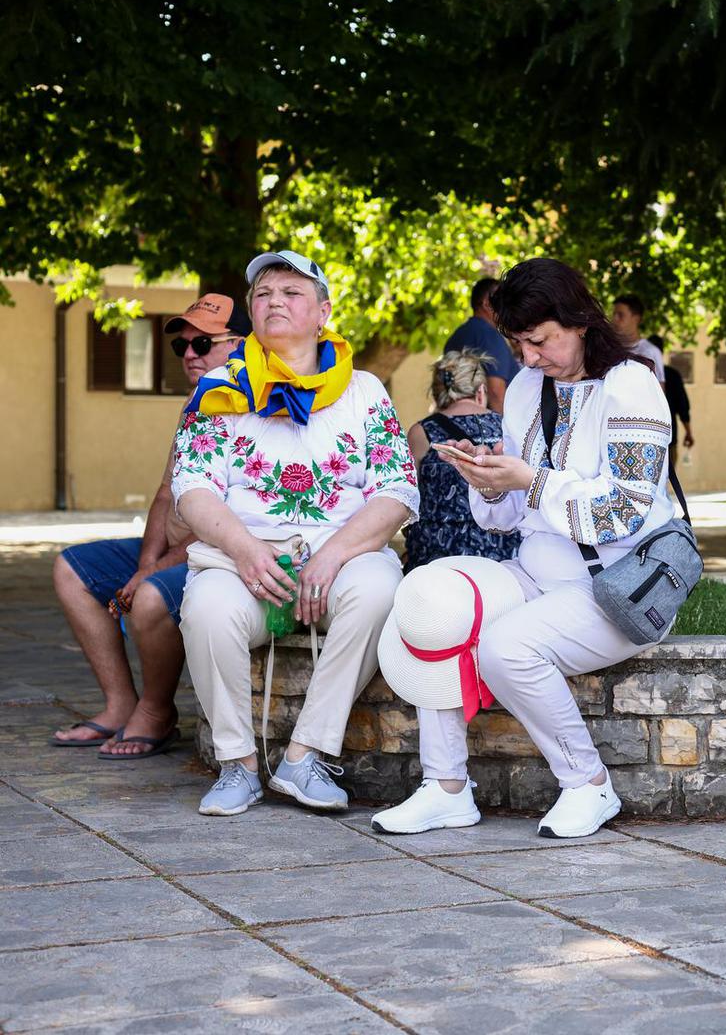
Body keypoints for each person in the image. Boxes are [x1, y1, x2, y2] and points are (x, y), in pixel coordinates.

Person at [371, 257, 674, 839]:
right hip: (535, 570)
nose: (530, 358)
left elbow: (624, 511)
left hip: (618, 584)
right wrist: (486, 480)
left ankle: (588, 784)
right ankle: (446, 788)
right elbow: (512, 515)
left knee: (507, 646)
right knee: (430, 597)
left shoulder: (631, 384)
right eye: (519, 344)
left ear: (580, 321)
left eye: (540, 341)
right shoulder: (528, 388)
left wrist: (529, 480)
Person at [172, 250, 418, 816]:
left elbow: (398, 489)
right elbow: (193, 488)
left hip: (340, 562)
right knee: (207, 610)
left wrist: (333, 555)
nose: (274, 301)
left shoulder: (364, 390)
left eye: (291, 292)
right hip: (242, 563)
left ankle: (305, 755)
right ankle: (236, 765)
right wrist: (246, 550)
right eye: (263, 294)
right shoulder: (220, 386)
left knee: (379, 591)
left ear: (322, 313)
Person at [50, 295, 249, 758]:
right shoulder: (196, 403)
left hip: (221, 554)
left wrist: (151, 574)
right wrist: (144, 563)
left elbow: (231, 520)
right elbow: (166, 493)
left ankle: (157, 714)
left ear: (240, 344)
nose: (190, 355)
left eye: (203, 343)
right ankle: (120, 705)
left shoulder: (253, 404)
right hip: (173, 551)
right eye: (182, 348)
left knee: (152, 596)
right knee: (72, 571)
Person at [402, 350, 520, 571]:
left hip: (436, 555)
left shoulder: (421, 432)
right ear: (481, 391)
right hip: (501, 552)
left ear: (438, 393)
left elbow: (409, 497)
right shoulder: (506, 426)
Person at [443, 277, 520, 413]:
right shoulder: (489, 335)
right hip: (489, 425)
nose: (507, 306)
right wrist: (506, 429)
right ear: (487, 304)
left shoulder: (457, 336)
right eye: (501, 300)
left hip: (454, 419)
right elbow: (496, 392)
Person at [647, 334, 694, 450]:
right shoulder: (673, 375)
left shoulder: (637, 375)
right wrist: (688, 432)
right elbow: (683, 407)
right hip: (667, 438)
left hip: (644, 436)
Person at [610, 294, 665, 383]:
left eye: (620, 315)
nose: (614, 319)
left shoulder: (650, 352)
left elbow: (659, 391)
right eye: (614, 314)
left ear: (636, 318)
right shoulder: (607, 349)